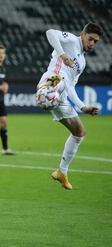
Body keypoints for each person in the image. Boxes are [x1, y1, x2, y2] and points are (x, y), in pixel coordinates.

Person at [37, 23, 102, 190]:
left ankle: (62, 172)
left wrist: (82, 106)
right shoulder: (71, 40)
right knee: (57, 83)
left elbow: (71, 86)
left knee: (80, 133)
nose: (92, 44)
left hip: (63, 93)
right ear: (82, 34)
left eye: (96, 41)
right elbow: (50, 32)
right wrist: (62, 54)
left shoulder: (82, 61)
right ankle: (45, 93)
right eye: (90, 39)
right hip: (54, 78)